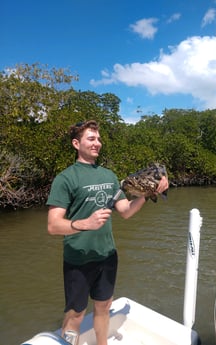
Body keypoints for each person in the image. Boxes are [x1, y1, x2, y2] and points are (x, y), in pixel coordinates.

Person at [46, 119, 169, 345]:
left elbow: (125, 211)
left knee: (103, 307)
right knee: (76, 314)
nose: (97, 143)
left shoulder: (110, 176)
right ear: (76, 144)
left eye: (99, 139)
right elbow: (53, 225)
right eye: (91, 139)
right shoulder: (65, 178)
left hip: (107, 256)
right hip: (78, 259)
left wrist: (148, 191)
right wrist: (83, 223)